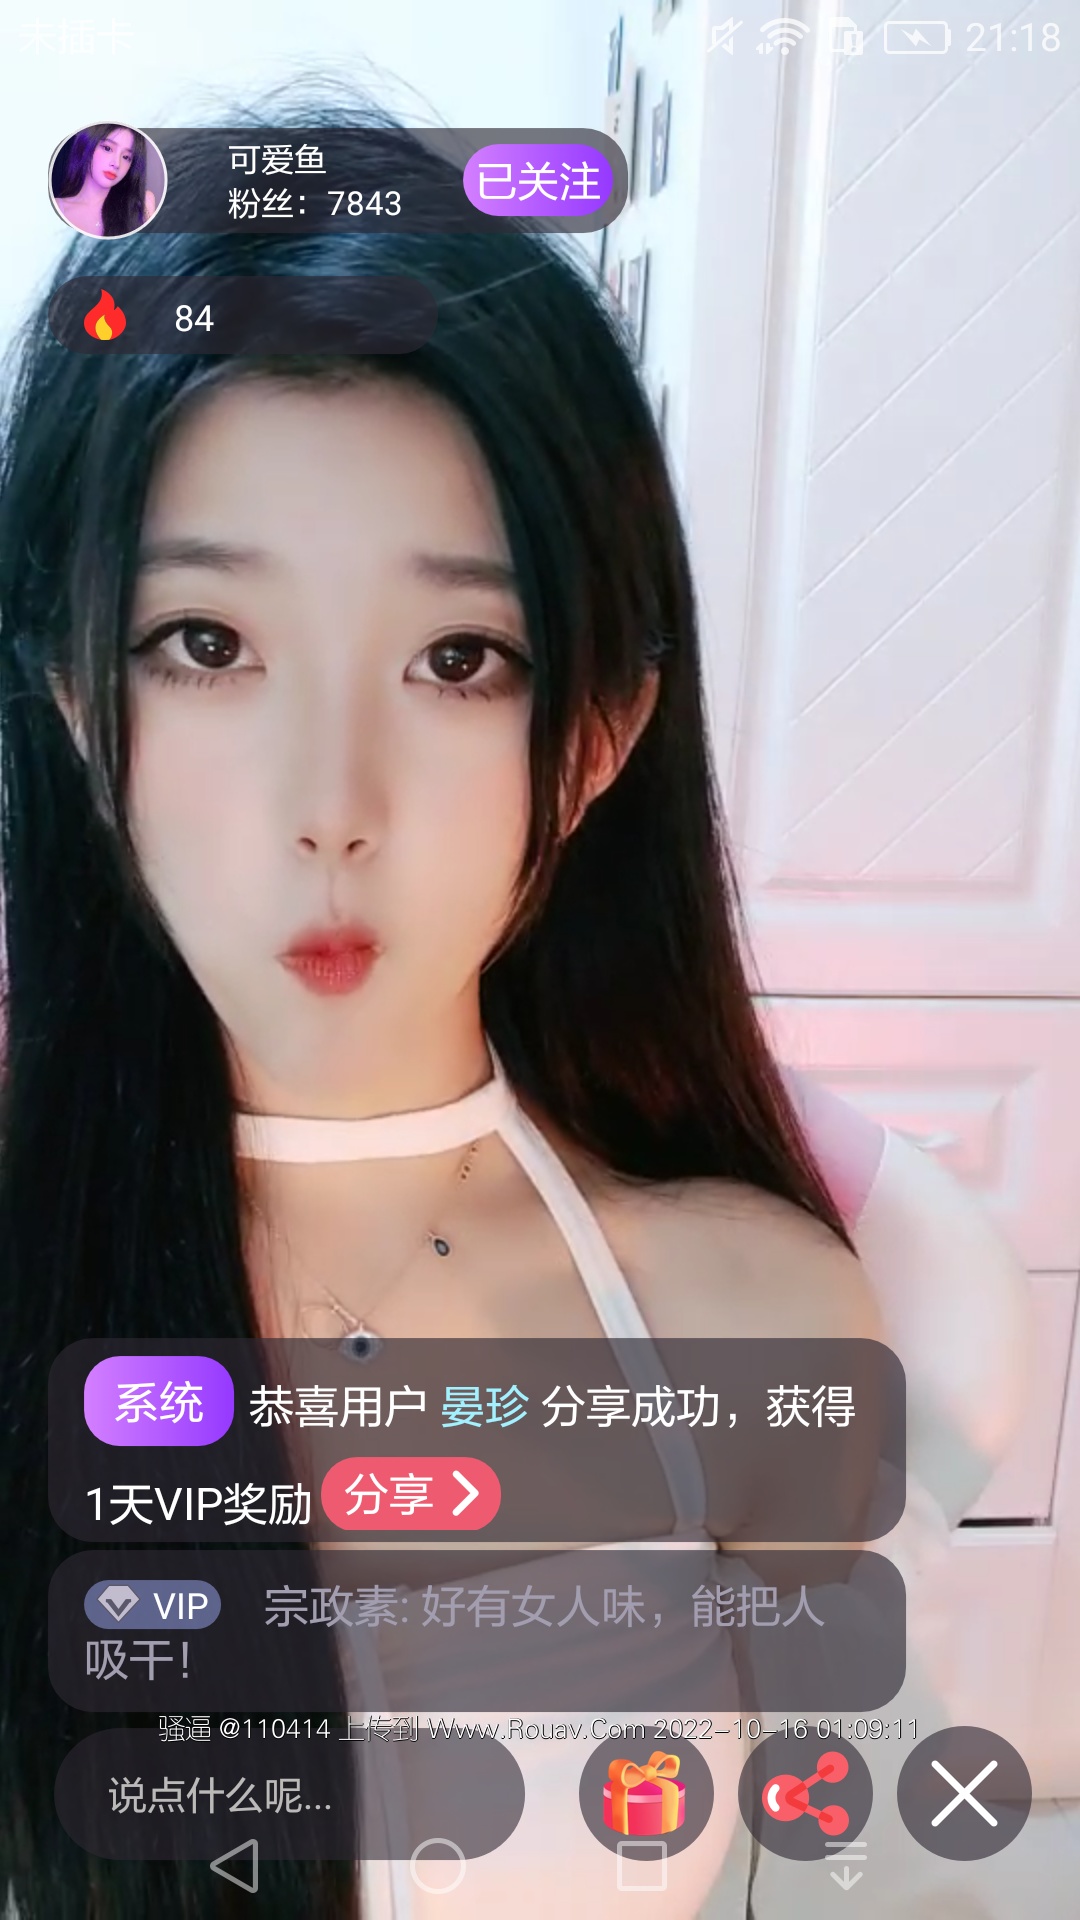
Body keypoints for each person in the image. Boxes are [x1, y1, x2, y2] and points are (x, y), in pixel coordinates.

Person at [0, 93, 884, 1918]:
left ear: (601, 738)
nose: (334, 806)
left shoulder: (755, 1316)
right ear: (81, 707)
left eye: (459, 659)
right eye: (205, 645)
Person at [51, 123, 156, 238]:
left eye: (126, 157)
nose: (116, 164)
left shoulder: (140, 207)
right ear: (87, 147)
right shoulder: (56, 207)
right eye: (107, 148)